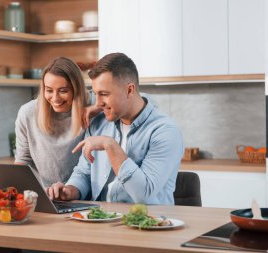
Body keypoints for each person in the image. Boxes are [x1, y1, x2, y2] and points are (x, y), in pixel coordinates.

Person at [47, 52, 184, 205]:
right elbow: (84, 173)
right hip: (100, 220)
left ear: (130, 90)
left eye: (104, 94)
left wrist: (110, 145)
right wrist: (70, 190)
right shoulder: (99, 124)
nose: (98, 103)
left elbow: (143, 194)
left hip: (146, 223)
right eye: (96, 94)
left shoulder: (165, 132)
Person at [14, 57, 93, 187]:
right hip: (46, 194)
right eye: (49, 90)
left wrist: (98, 107)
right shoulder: (28, 113)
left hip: (84, 194)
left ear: (76, 89)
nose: (55, 98)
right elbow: (23, 160)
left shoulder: (91, 109)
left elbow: (133, 99)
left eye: (63, 91)